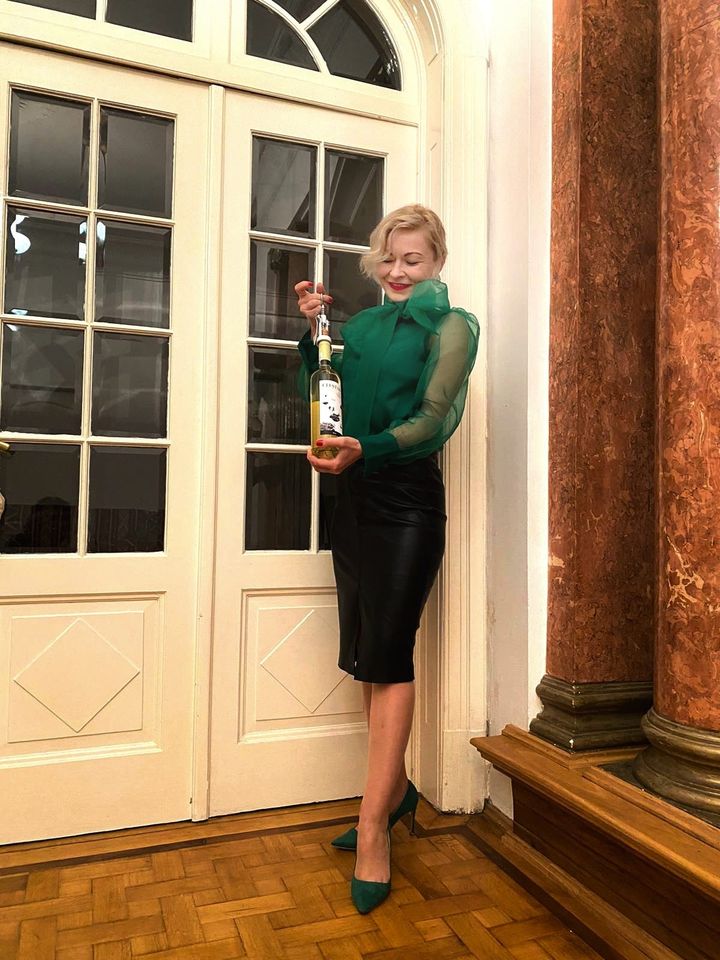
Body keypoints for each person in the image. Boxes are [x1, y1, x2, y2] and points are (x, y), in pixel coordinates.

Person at [295, 204, 478, 914]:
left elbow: (433, 418)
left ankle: (374, 826)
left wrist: (365, 448)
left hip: (406, 502)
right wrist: (315, 335)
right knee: (367, 654)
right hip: (353, 499)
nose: (398, 271)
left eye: (413, 260)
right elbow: (330, 393)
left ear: (436, 262)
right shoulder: (364, 326)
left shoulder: (452, 326)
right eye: (389, 258)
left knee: (391, 654)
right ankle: (394, 793)